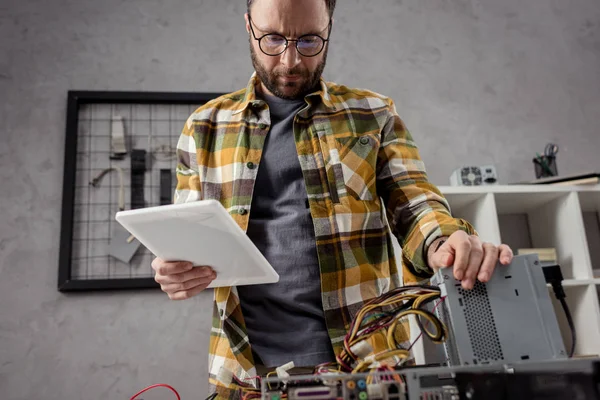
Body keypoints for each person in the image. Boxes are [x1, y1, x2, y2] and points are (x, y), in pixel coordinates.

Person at [151, 0, 514, 397]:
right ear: (248, 26)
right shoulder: (204, 127)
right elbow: (186, 239)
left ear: (329, 28)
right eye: (272, 38)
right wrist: (176, 271)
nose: (290, 61)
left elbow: (417, 206)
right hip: (246, 376)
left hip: (370, 369)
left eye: (309, 40)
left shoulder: (374, 115)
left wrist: (445, 242)